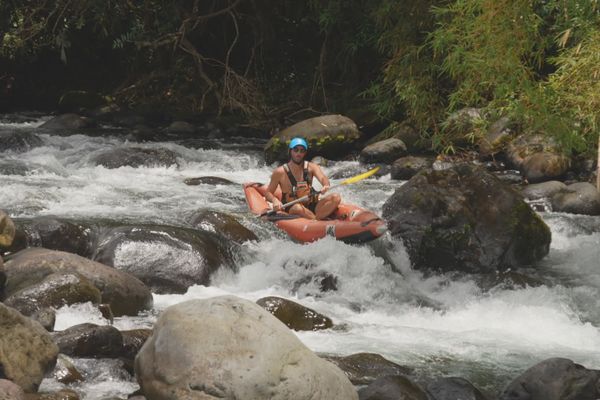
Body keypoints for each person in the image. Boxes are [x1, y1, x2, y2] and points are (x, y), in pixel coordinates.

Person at [264, 137, 341, 220]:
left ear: (305, 153)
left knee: (336, 197)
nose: (299, 153)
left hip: (311, 204)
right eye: (296, 150)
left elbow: (322, 178)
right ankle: (317, 221)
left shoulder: (312, 167)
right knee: (298, 208)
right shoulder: (280, 172)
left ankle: (317, 219)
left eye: (302, 150)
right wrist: (274, 200)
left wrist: (325, 185)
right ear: (290, 151)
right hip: (292, 207)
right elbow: (268, 193)